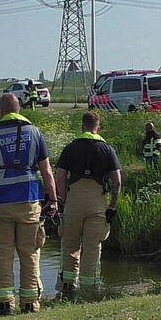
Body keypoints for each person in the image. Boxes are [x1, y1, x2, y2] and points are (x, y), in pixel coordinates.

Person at [0, 93, 58, 315]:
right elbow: (47, 171)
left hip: (0, 202)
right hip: (29, 200)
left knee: (3, 254)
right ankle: (30, 304)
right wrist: (53, 199)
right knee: (29, 252)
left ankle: (5, 304)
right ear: (19, 109)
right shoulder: (35, 132)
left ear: (0, 111)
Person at [55, 112, 122, 299]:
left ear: (82, 127)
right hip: (97, 204)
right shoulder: (107, 149)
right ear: (97, 128)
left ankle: (67, 287)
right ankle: (89, 291)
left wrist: (64, 200)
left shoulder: (70, 148)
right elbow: (117, 182)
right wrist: (112, 206)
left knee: (69, 245)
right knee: (92, 248)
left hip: (73, 201)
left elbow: (60, 177)